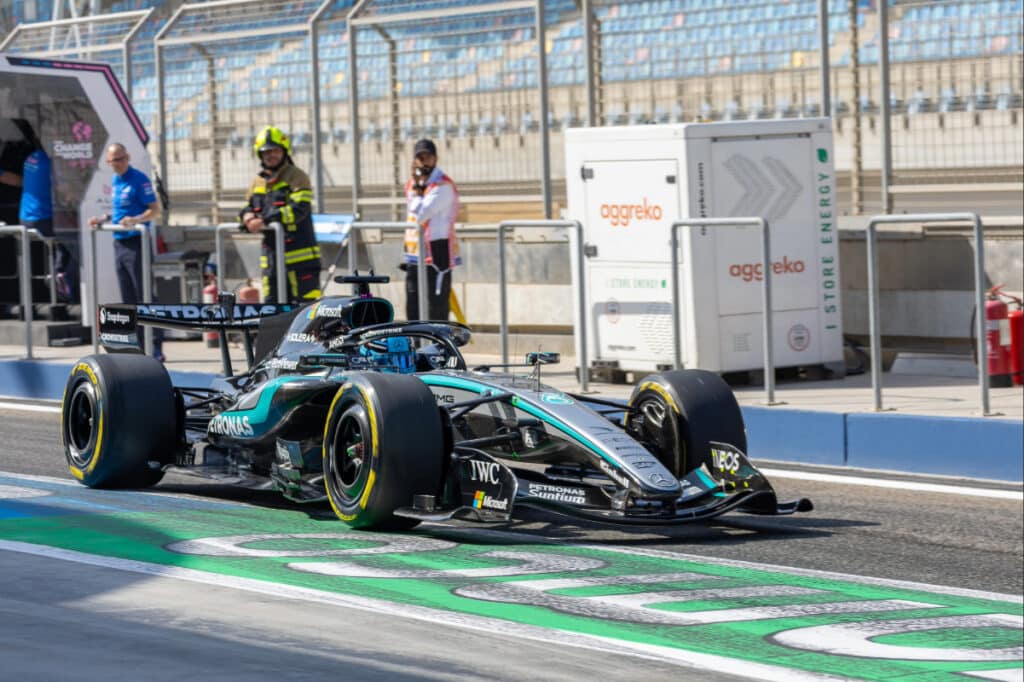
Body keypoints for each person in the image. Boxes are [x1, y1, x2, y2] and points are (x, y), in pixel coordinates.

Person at [88, 143, 164, 362]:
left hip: (137, 243)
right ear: (108, 163)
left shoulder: (139, 179)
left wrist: (136, 220)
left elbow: (155, 209)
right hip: (119, 244)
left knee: (145, 296)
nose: (118, 164)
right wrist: (103, 219)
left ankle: (156, 345)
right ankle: (136, 345)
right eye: (114, 161)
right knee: (128, 298)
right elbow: (119, 211)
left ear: (127, 157)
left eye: (121, 159)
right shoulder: (115, 180)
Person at [239, 126, 321, 304]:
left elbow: (299, 208)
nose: (271, 155)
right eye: (266, 152)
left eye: (275, 150)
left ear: (284, 151)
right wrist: (247, 217)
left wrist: (264, 220)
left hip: (301, 260)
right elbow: (247, 207)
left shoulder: (297, 177)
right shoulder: (257, 182)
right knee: (271, 308)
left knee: (305, 311)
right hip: (271, 260)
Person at [403, 138, 461, 322]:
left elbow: (421, 213)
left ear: (435, 159)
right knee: (413, 305)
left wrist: (419, 188)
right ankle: (415, 346)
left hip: (437, 250)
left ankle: (436, 348)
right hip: (414, 253)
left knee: (436, 306)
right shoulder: (414, 183)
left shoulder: (442, 185)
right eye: (419, 157)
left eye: (427, 157)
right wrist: (418, 185)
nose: (423, 161)